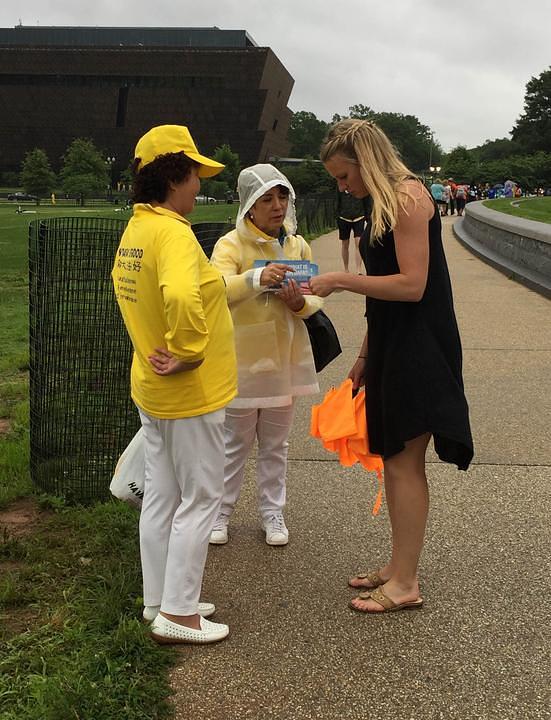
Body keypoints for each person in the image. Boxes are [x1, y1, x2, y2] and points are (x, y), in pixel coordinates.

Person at [309, 119, 473, 614]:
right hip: (392, 344)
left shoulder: (408, 197)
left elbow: (411, 286)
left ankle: (405, 583)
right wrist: (364, 356)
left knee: (403, 463)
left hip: (420, 347)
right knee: (395, 460)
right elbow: (386, 294)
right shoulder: (380, 203)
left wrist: (340, 279)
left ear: (366, 162)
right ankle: (398, 567)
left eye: (344, 176)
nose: (342, 186)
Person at [112, 124, 238, 644]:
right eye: (193, 176)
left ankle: (158, 600)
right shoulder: (174, 233)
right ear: (173, 175)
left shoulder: (137, 230)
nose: (198, 187)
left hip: (152, 389)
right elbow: (184, 299)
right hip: (190, 393)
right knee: (202, 497)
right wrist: (189, 354)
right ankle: (181, 616)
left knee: (163, 496)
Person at [208, 164, 323, 547]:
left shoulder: (297, 245)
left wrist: (299, 303)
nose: (277, 206)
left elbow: (313, 300)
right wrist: (257, 279)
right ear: (249, 207)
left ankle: (273, 513)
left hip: (283, 362)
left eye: (282, 197)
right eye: (266, 199)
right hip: (242, 362)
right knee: (233, 444)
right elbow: (216, 289)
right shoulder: (230, 245)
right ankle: (220, 512)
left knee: (276, 444)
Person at [336, 190, 369, 273]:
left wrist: (368, 218)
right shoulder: (341, 187)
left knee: (358, 243)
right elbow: (337, 201)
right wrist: (337, 216)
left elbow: (367, 202)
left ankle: (358, 269)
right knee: (345, 244)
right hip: (343, 218)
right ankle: (346, 268)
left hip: (359, 217)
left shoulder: (359, 185)